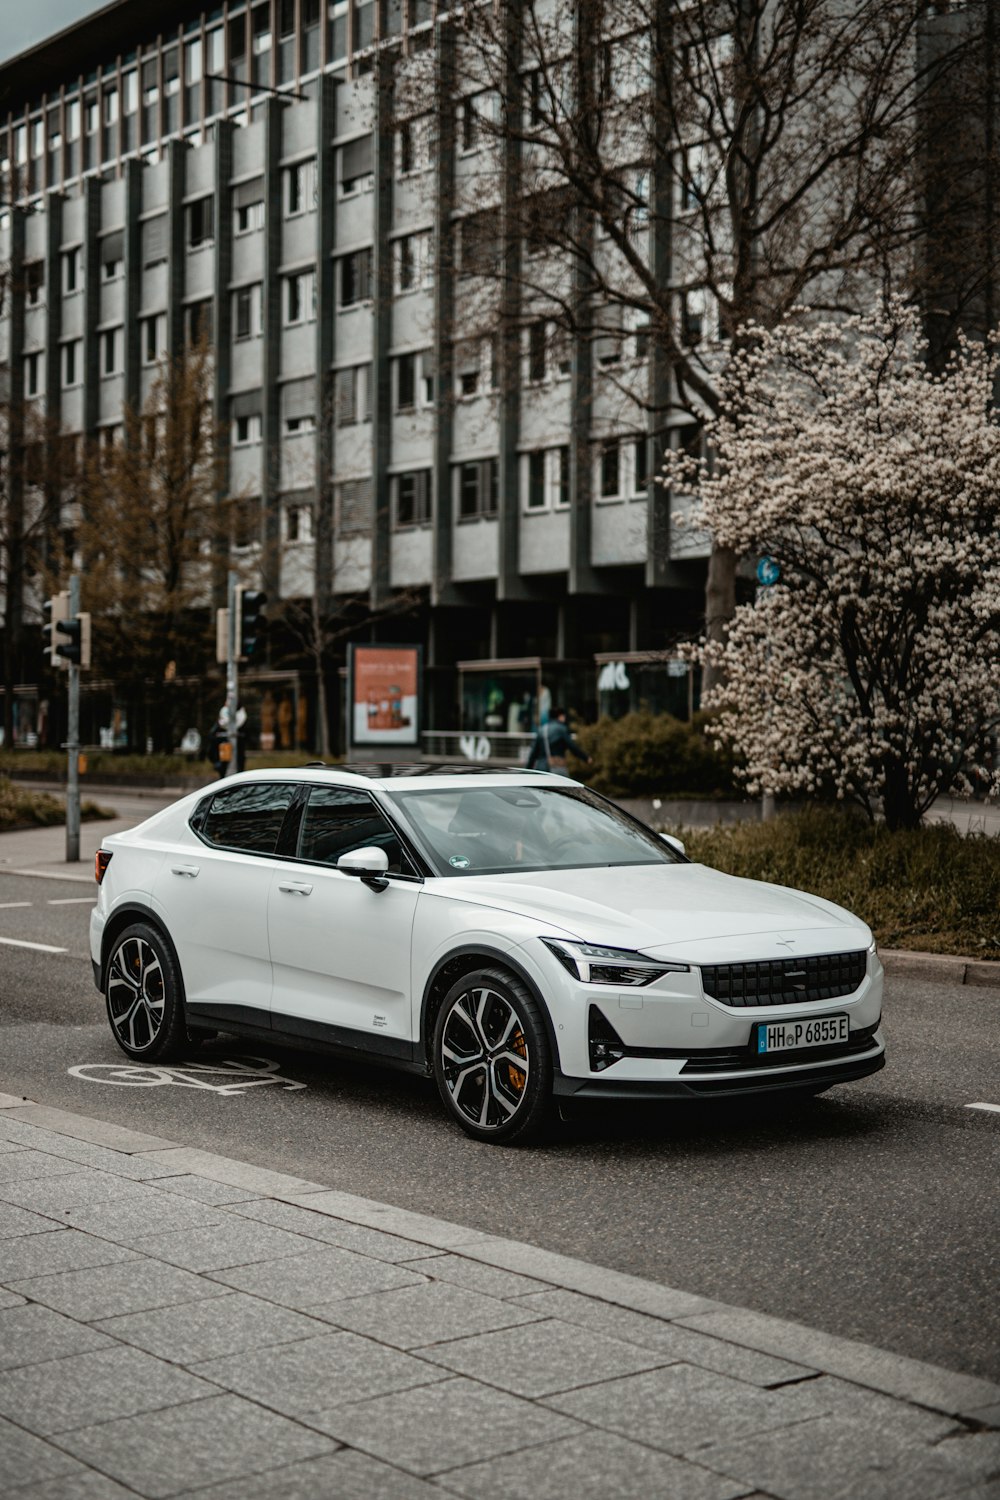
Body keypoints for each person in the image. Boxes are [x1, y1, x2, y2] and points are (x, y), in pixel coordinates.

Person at [526, 706, 592, 777]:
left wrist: (527, 770)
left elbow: (533, 754)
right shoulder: (561, 729)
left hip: (541, 768)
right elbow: (572, 747)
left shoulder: (542, 730)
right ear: (560, 716)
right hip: (556, 767)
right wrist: (586, 758)